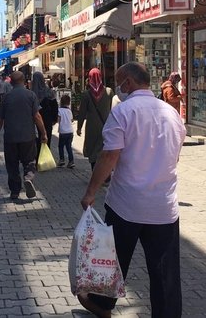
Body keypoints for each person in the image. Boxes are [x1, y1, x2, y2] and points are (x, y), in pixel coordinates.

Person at [79, 62, 186, 318]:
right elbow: (175, 154)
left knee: (114, 260)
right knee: (165, 271)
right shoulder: (171, 113)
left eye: (119, 82)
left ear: (128, 83)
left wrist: (91, 192)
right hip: (163, 206)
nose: (118, 87)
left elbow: (109, 155)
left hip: (126, 204)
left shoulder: (124, 111)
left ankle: (102, 303)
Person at [0, 71, 48, 200]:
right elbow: (37, 116)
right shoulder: (31, 95)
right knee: (29, 160)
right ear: (24, 81)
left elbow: (0, 119)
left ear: (11, 82)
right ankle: (28, 177)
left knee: (12, 164)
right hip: (27, 136)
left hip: (10, 137)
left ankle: (14, 191)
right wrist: (43, 133)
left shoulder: (7, 97)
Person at [76, 68, 113, 170]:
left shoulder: (86, 95)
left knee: (92, 151)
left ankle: (95, 172)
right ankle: (105, 173)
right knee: (104, 149)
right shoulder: (109, 92)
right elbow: (112, 109)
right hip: (106, 126)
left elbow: (82, 113)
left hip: (91, 127)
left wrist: (79, 128)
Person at [55, 94, 75, 168]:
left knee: (61, 146)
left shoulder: (59, 110)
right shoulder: (69, 111)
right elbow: (71, 120)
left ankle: (62, 160)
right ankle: (71, 161)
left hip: (63, 131)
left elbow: (58, 120)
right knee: (69, 146)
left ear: (61, 102)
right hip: (70, 131)